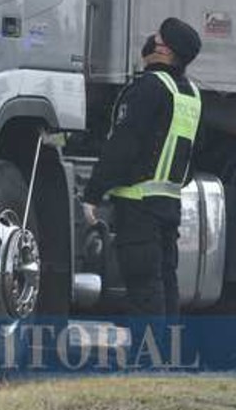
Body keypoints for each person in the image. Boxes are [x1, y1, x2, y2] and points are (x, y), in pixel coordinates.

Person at [81, 17, 203, 322]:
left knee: (143, 289)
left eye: (157, 38)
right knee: (166, 282)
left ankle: (146, 361)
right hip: (168, 203)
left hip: (137, 206)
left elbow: (123, 144)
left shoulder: (149, 88)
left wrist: (92, 194)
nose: (150, 40)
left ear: (165, 51)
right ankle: (168, 359)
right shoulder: (190, 94)